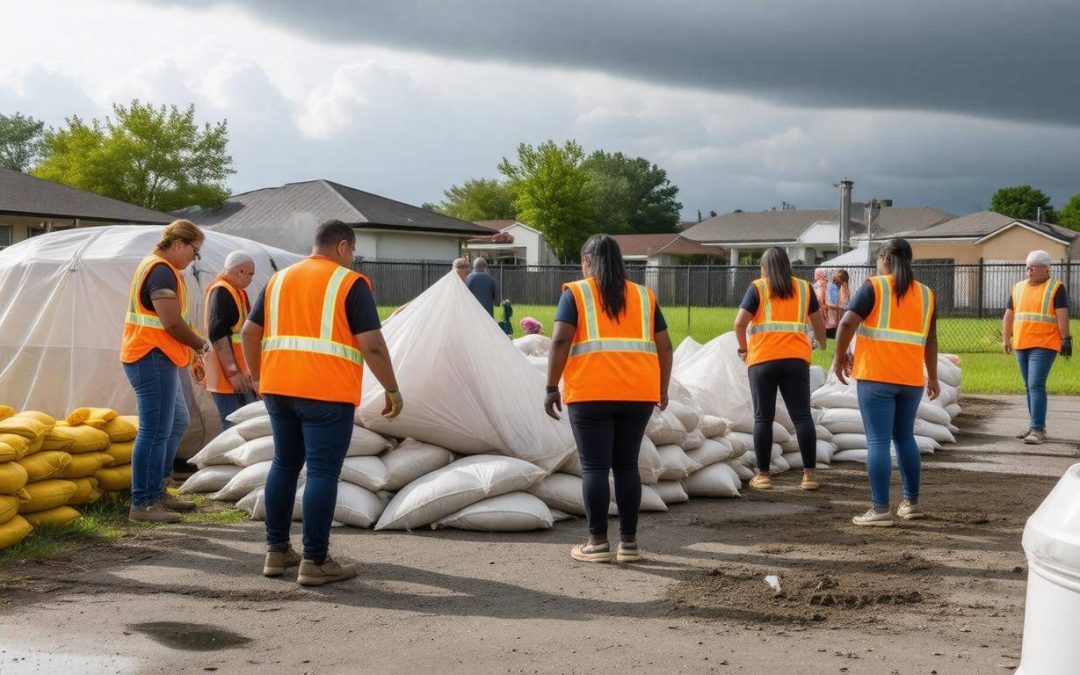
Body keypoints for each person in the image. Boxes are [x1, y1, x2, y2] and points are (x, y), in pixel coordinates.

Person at [241, 220, 403, 587]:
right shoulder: (350, 283)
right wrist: (392, 389)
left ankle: (276, 551)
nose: (352, 259)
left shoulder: (278, 280)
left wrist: (258, 378)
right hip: (326, 393)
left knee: (284, 464)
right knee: (322, 473)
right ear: (343, 247)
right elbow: (373, 345)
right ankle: (315, 560)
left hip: (278, 389)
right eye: (353, 252)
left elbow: (249, 332)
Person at [545, 234, 673, 564]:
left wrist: (550, 386)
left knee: (595, 468)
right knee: (627, 465)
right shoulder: (644, 296)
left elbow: (560, 341)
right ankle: (629, 544)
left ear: (587, 262)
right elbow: (665, 346)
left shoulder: (576, 293)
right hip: (638, 392)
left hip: (591, 392)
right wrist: (662, 388)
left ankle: (597, 543)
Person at [832, 238, 939, 527]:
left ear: (884, 259)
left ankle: (880, 508)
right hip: (911, 379)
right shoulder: (927, 294)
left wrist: (838, 359)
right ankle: (912, 503)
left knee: (878, 441)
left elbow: (846, 323)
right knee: (904, 438)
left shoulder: (874, 287)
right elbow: (930, 339)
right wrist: (933, 376)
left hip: (876, 376)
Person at [120, 220, 208, 523]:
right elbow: (171, 321)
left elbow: (172, 321)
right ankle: (143, 503)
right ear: (179, 244)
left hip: (159, 356)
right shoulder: (160, 270)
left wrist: (192, 353)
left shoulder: (162, 268)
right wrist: (200, 344)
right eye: (194, 252)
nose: (194, 259)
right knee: (154, 430)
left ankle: (156, 490)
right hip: (150, 357)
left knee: (176, 421)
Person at [734, 248, 826, 491]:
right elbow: (818, 321)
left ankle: (763, 476)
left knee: (763, 418)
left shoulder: (758, 288)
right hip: (796, 360)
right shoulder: (805, 288)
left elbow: (739, 323)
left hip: (762, 360)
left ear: (764, 268)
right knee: (802, 417)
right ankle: (809, 476)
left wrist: (743, 348)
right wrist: (819, 342)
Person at [1003, 250, 1072, 445]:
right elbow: (1009, 314)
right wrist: (1006, 337)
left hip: (1044, 344)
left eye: (1033, 266)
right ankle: (1034, 424)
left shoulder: (1056, 288)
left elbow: (1062, 314)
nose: (1029, 269)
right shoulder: (1018, 288)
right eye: (1028, 266)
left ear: (1046, 268)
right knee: (1029, 386)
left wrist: (1066, 339)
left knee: (1035, 385)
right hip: (1022, 343)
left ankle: (1038, 429)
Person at [204, 251, 257, 429]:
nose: (251, 279)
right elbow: (218, 336)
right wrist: (233, 373)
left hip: (238, 374)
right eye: (250, 274)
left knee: (244, 425)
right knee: (233, 426)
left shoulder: (236, 293)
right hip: (227, 375)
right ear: (240, 271)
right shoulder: (222, 292)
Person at [827, 269, 852, 339]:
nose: (834, 276)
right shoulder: (843, 288)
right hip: (843, 315)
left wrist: (828, 305)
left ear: (841, 278)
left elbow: (842, 306)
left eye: (837, 275)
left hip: (843, 315)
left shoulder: (844, 289)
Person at [813, 268, 836, 338]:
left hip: (819, 320)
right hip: (831, 320)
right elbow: (836, 304)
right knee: (831, 339)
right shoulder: (833, 286)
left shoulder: (813, 287)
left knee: (821, 341)